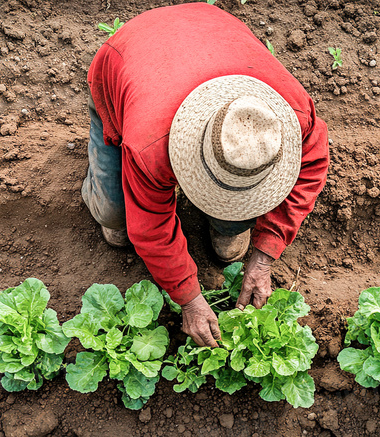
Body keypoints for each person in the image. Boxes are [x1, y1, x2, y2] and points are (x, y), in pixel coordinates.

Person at [82, 3, 329, 347]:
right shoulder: (151, 143)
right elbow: (150, 226)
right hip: (126, 58)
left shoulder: (290, 115)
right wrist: (190, 300)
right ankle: (96, 178)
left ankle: (230, 211)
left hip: (212, 27)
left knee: (231, 247)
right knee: (116, 220)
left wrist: (265, 254)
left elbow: (313, 168)